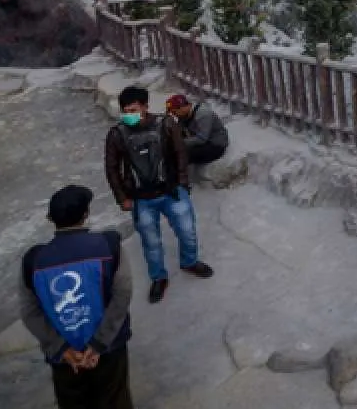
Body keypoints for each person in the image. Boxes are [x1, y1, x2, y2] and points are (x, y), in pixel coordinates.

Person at [20, 185, 134, 409]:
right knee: (115, 399)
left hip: (65, 357)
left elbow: (29, 311)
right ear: (86, 215)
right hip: (108, 348)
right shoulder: (108, 245)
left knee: (73, 402)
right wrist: (100, 342)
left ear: (50, 218)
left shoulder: (33, 260)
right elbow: (122, 294)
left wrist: (61, 348)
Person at [105, 85, 214, 304]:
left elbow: (180, 153)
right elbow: (112, 168)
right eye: (125, 110)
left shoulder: (165, 124)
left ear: (145, 106)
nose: (129, 114)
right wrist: (122, 197)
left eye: (133, 109)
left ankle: (189, 262)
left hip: (171, 190)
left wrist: (183, 183)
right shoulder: (117, 134)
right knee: (151, 242)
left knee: (187, 231)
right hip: (140, 198)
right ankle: (159, 278)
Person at [165, 94, 229, 165]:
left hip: (216, 144)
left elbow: (202, 138)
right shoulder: (184, 116)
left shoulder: (203, 114)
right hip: (204, 142)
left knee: (182, 156)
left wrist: (180, 143)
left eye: (174, 112)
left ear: (184, 107)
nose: (174, 115)